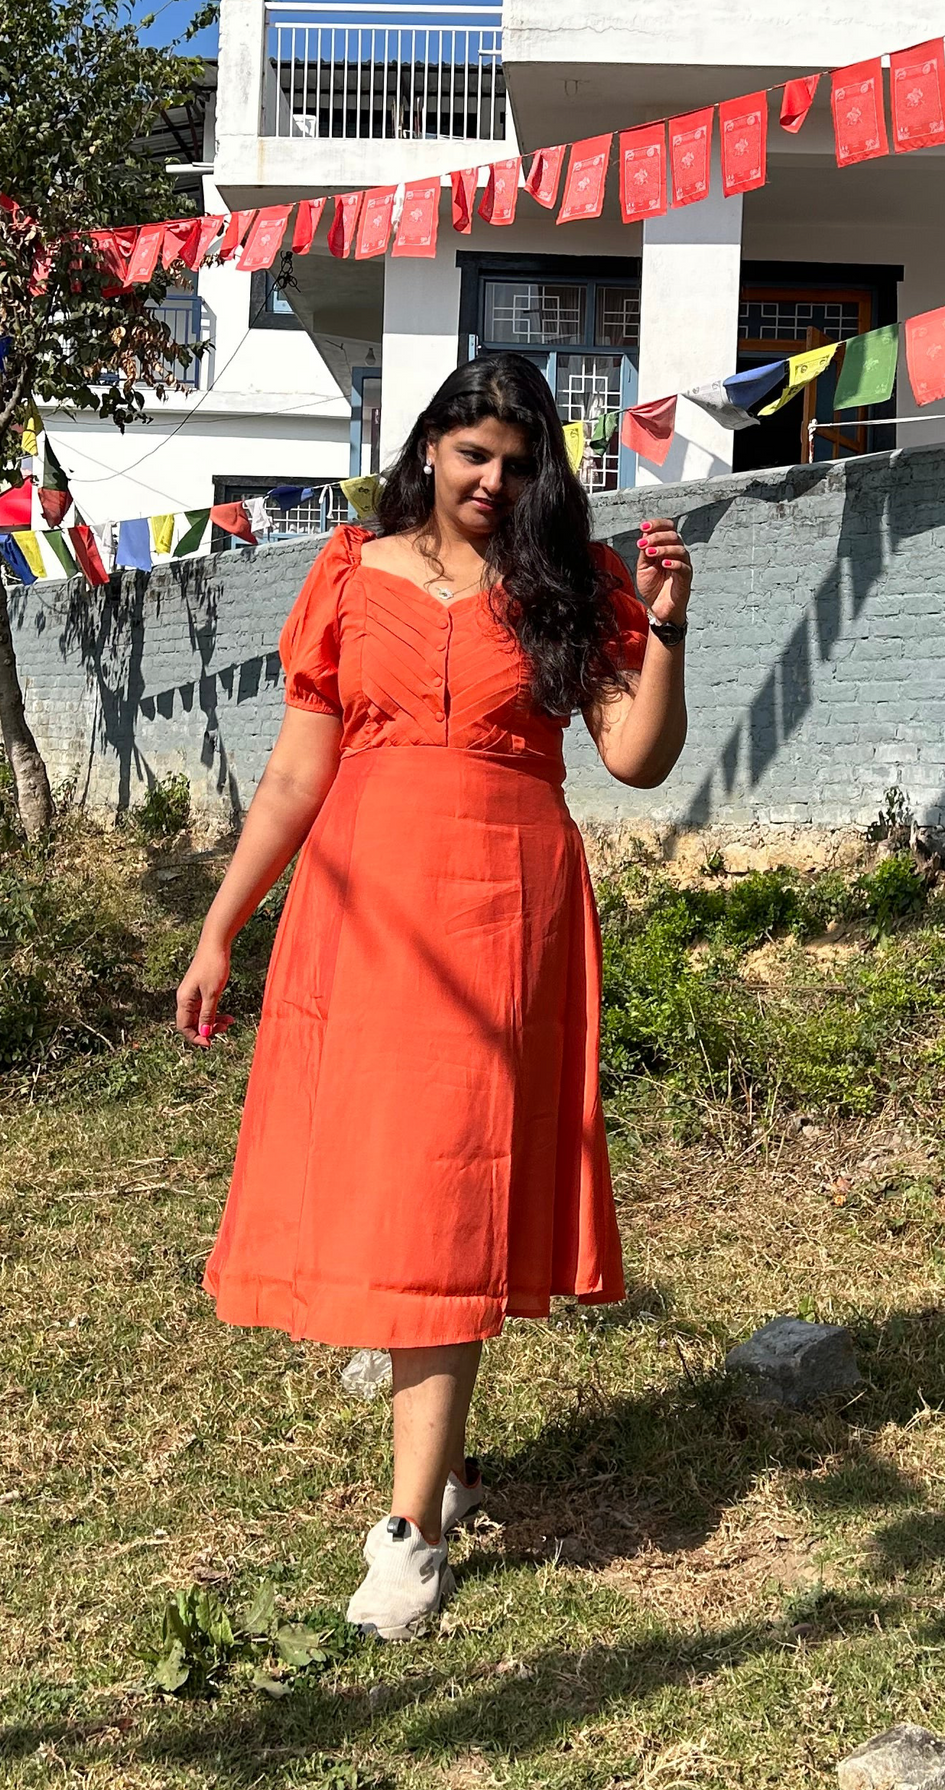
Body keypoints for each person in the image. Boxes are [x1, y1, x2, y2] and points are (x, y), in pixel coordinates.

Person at [176, 353, 691, 1639]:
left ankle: (408, 1533)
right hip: (365, 912)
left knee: (448, 1193)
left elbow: (634, 758)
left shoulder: (569, 582)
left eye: (517, 464)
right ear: (429, 450)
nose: (492, 481)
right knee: (400, 1187)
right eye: (472, 455)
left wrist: (670, 626)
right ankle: (440, 1476)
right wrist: (221, 923)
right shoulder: (349, 570)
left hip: (505, 912)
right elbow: (297, 776)